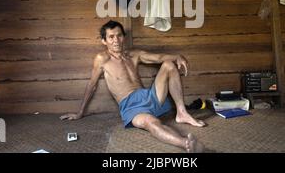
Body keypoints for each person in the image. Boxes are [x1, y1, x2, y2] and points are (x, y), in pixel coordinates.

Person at [60, 20, 205, 152]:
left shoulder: (134, 54)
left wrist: (177, 56)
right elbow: (92, 85)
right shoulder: (102, 59)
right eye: (111, 37)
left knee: (168, 65)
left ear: (123, 37)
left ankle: (182, 113)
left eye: (119, 36)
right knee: (151, 123)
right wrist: (80, 112)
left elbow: (159, 58)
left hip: (149, 96)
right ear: (104, 41)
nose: (116, 40)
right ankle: (185, 143)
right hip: (131, 107)